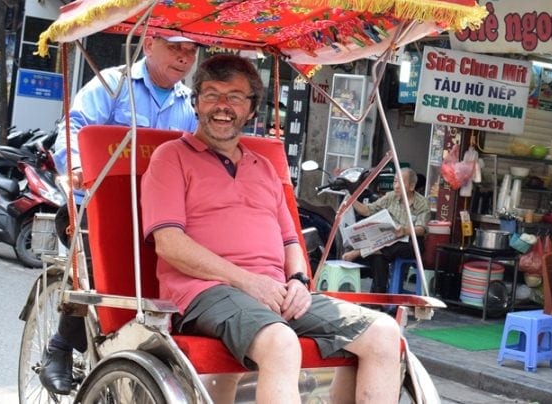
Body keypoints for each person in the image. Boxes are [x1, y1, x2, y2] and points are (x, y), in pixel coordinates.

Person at [141, 54, 403, 403]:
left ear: (251, 109)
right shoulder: (171, 157)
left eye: (234, 97)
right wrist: (248, 281)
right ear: (196, 102)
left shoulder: (263, 167)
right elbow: (170, 245)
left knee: (383, 332)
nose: (222, 107)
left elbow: (290, 239)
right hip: (206, 292)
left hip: (275, 293)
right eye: (211, 95)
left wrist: (297, 281)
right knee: (281, 341)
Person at [39, 35, 200, 395]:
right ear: (149, 46)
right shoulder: (113, 84)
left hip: (156, 212)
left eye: (192, 50)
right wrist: (77, 164)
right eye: (176, 47)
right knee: (99, 273)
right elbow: (74, 127)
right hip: (96, 204)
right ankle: (61, 347)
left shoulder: (188, 105)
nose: (185, 57)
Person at [341, 168, 430, 294]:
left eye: (400, 182)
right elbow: (367, 210)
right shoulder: (391, 197)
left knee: (391, 246)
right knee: (379, 257)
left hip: (411, 242)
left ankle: (359, 252)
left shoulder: (422, 203)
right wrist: (351, 200)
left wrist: (405, 230)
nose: (396, 186)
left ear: (411, 186)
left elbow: (422, 229)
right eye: (395, 182)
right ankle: (378, 298)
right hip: (389, 239)